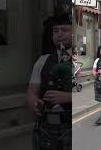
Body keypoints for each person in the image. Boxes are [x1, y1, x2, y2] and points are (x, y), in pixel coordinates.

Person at [26, 14, 71, 150]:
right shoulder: (42, 61)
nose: (59, 34)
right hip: (46, 126)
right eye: (55, 31)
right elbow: (31, 92)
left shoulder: (80, 61)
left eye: (64, 30)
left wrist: (67, 97)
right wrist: (34, 102)